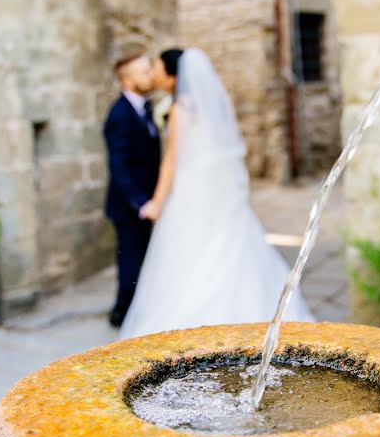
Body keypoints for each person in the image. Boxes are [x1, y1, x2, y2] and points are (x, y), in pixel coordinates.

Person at [119, 48, 314, 339]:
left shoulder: (179, 108)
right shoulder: (202, 106)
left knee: (189, 254)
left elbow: (172, 158)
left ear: (172, 74)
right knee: (229, 246)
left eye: (157, 67)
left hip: (190, 193)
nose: (153, 73)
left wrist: (158, 201)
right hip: (211, 191)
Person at [103, 53, 160, 328]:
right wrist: (139, 203)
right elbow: (119, 165)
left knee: (144, 261)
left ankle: (136, 309)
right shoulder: (120, 114)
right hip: (128, 207)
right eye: (143, 72)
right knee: (130, 265)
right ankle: (121, 316)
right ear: (127, 79)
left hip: (148, 201)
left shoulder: (145, 108)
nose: (149, 77)